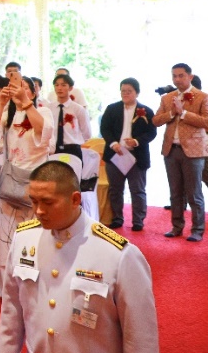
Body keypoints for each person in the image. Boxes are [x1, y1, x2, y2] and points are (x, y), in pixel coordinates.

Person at [0, 161, 158, 353]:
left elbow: (141, 343)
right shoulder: (24, 240)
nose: (39, 211)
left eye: (47, 202)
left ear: (75, 199)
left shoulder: (119, 255)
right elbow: (10, 322)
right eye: (34, 201)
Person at [0, 73, 53, 295]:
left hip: (36, 180)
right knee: (7, 235)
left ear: (33, 93)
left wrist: (26, 104)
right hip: (11, 180)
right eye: (14, 86)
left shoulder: (42, 111)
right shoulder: (8, 114)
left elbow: (44, 136)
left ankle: (34, 282)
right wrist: (1, 104)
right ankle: (6, 285)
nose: (17, 89)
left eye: (23, 87)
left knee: (34, 231)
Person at [153, 63, 208, 241]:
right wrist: (171, 113)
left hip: (194, 151)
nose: (177, 79)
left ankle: (197, 230)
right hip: (171, 150)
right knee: (175, 192)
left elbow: (206, 122)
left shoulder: (203, 97)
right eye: (174, 76)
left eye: (181, 75)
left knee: (194, 193)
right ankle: (177, 227)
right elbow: (155, 120)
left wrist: (183, 113)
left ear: (190, 77)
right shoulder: (167, 98)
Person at [100, 78, 157, 232]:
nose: (125, 94)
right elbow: (105, 128)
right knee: (115, 189)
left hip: (136, 156)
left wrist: (136, 141)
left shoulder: (146, 111)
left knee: (137, 190)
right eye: (123, 91)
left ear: (137, 93)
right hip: (115, 155)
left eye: (129, 91)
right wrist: (113, 143)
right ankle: (117, 218)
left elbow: (151, 133)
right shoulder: (112, 109)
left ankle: (138, 220)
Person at [50, 73, 92, 160]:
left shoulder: (78, 109)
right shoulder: (49, 108)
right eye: (56, 85)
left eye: (63, 85)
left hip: (72, 149)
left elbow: (87, 133)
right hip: (53, 149)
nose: (59, 88)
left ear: (70, 88)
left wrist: (75, 140)